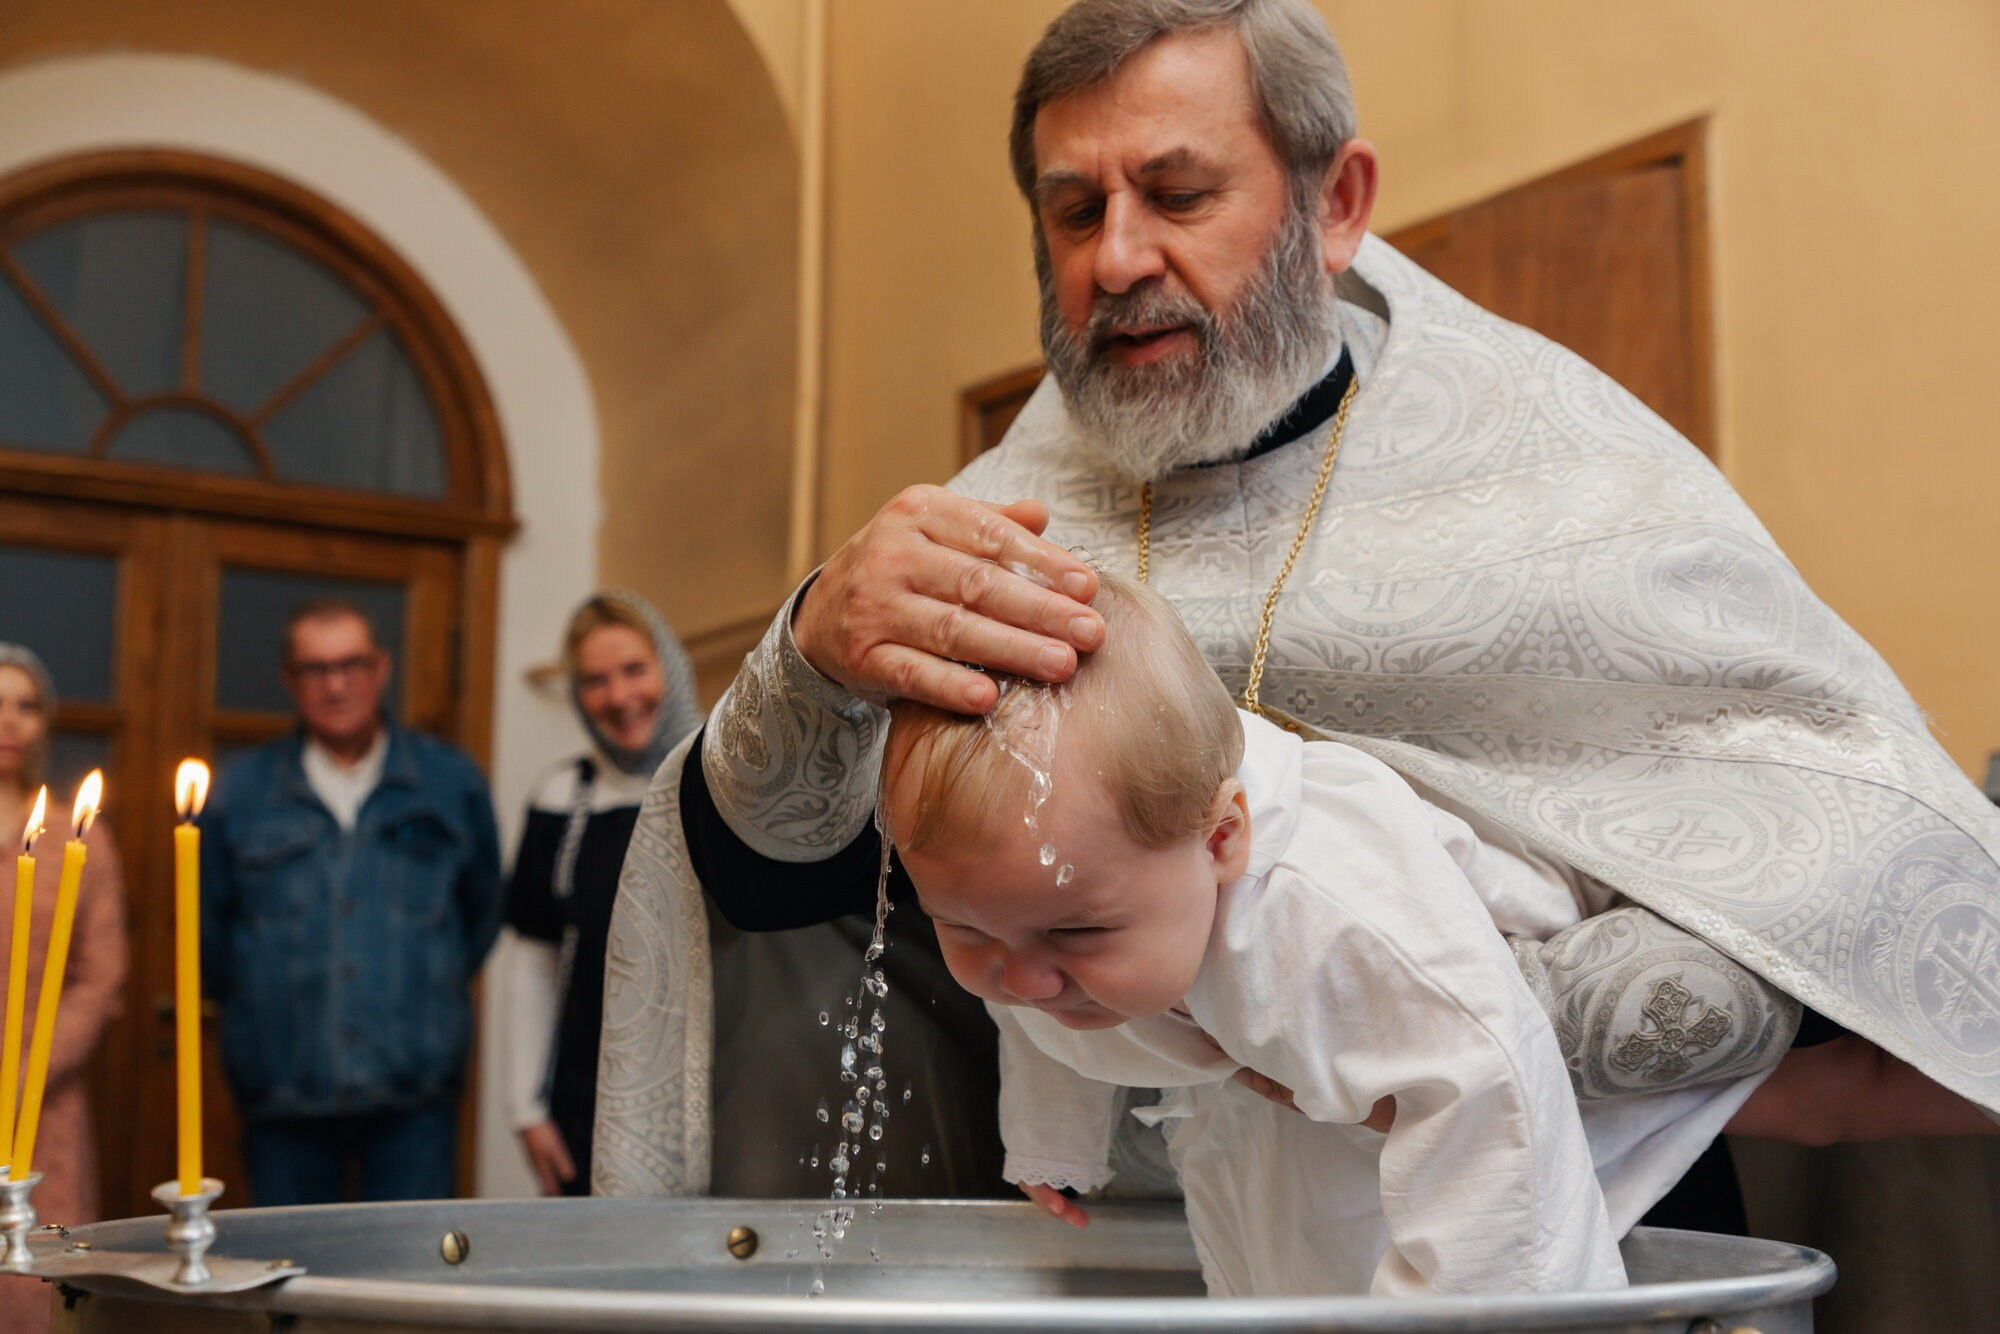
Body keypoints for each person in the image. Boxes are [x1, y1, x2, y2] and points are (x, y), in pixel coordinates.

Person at [597, 0, 1999, 1255]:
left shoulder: (1565, 476)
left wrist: (1498, 1009)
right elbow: (785, 907)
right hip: (1134, 1249)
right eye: (1073, 210)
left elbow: (1844, 861)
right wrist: (812, 653)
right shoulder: (996, 529)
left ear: (1337, 202)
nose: (1119, 255)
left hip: (1557, 1221)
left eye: (1178, 191)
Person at [882, 574, 1996, 1296]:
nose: (1017, 975)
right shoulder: (1037, 902)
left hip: (1513, 964)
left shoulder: (1334, 921)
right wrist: (1053, 1144)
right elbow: (1028, 1001)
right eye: (963, 928)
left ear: (1222, 837)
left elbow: (1488, 1110)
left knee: (1824, 1089)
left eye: (1074, 929)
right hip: (1292, 1040)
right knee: (1285, 1219)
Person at [200, 600, 502, 1206]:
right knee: (290, 1280)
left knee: (409, 1285)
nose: (336, 685)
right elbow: (209, 939)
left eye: (351, 665)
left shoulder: (450, 782)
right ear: (290, 681)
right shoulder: (242, 791)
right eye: (315, 669)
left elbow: (481, 915)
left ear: (381, 668)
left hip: (415, 1097)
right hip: (283, 1095)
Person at [501, 591, 702, 1196]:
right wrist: (525, 1109)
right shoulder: (561, 795)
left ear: (669, 665)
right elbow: (534, 958)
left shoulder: (724, 777)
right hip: (586, 1094)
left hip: (707, 1088)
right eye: (595, 681)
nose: (618, 698)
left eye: (635, 670)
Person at [0, 646, 127, 1334]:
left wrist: (30, 1067)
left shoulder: (79, 839)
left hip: (43, 1094)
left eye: (26, 705)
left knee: (36, 1277)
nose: (9, 722)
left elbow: (101, 972)